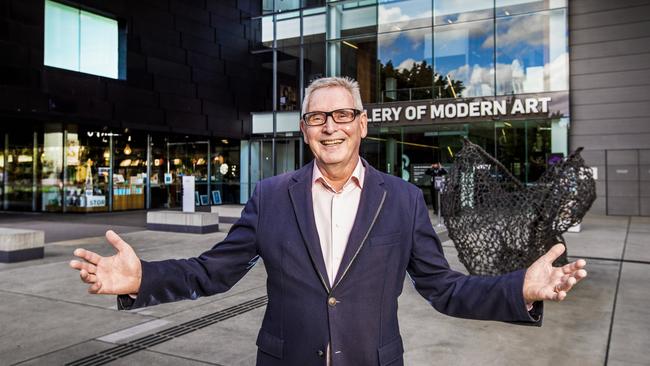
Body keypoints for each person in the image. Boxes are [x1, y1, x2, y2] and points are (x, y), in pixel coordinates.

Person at [70, 77, 587, 366]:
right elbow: (214, 271)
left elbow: (444, 288)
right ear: (305, 129)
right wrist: (142, 279)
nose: (330, 126)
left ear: (362, 124)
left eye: (342, 115)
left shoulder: (403, 200)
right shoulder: (272, 196)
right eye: (318, 117)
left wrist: (520, 287)